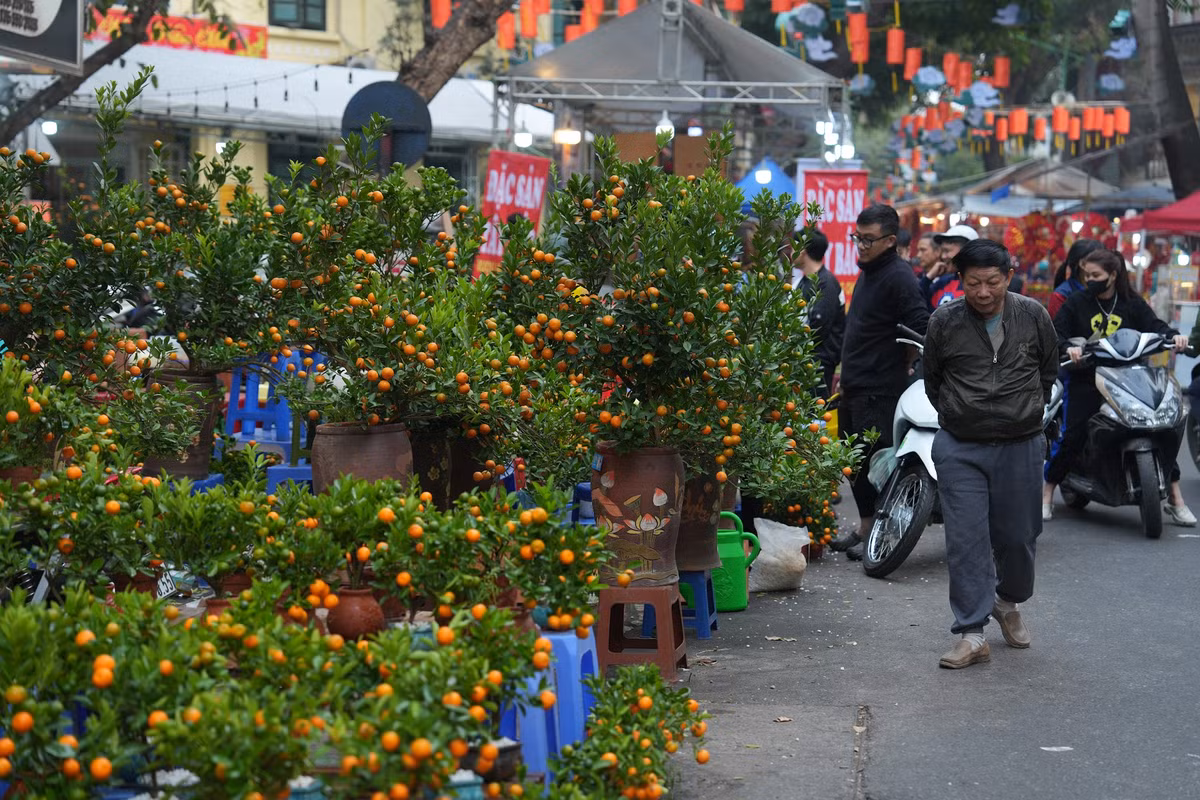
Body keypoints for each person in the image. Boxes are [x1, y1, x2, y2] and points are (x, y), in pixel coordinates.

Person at [923, 239, 1058, 669]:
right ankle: (971, 631)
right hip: (961, 445)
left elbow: (1048, 372)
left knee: (1020, 537)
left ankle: (1007, 602)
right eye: (974, 283)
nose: (983, 293)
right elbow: (933, 379)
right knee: (965, 541)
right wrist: (961, 413)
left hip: (1021, 443)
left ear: (1009, 277)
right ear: (959, 280)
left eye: (992, 282)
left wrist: (1025, 411)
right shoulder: (944, 321)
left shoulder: (1033, 315)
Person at [1043, 249, 1195, 524]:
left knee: (1162, 427)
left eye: (1096, 275)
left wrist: (1175, 337)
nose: (1090, 280)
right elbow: (1057, 332)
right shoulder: (1077, 302)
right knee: (1074, 433)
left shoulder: (1131, 302)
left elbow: (1156, 325)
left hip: (1133, 376)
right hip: (1089, 377)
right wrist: (1068, 348)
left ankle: (1175, 497)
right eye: (1086, 275)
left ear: (1113, 275)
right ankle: (1047, 493)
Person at [830, 204, 931, 561]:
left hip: (880, 388)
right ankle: (866, 524)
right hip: (855, 383)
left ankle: (883, 534)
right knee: (853, 464)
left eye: (868, 239)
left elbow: (920, 324)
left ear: (890, 240)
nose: (860, 245)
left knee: (875, 464)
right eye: (857, 237)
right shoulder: (869, 272)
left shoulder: (899, 276)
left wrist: (908, 362)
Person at [790, 229, 845, 398]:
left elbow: (817, 328)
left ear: (803, 250)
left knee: (814, 418)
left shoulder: (826, 284)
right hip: (802, 363)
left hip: (817, 367)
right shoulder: (803, 282)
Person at [919, 225, 978, 310]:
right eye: (942, 251)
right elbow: (915, 301)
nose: (943, 256)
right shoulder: (943, 282)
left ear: (967, 251)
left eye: (947, 251)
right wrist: (928, 278)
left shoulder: (979, 285)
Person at [1047, 239, 1103, 319]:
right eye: (1098, 260)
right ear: (1082, 264)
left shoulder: (1104, 290)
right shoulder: (1061, 295)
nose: (1104, 263)